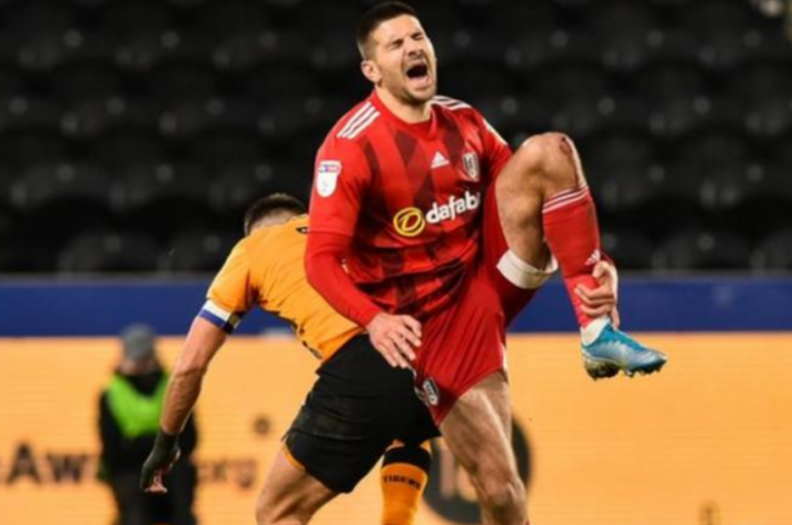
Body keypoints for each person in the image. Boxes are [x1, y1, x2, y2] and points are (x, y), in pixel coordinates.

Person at [303, 3, 667, 525]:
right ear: (372, 70)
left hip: (485, 280)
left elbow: (529, 194)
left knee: (549, 152)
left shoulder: (463, 120)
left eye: (418, 36)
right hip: (426, 329)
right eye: (396, 44)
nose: (413, 48)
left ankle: (596, 329)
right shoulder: (350, 146)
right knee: (501, 491)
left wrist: (597, 265)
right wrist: (375, 320)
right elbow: (319, 261)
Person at [139, 194, 619, 525]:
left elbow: (190, 365)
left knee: (277, 511)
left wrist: (166, 442)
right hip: (436, 342)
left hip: (367, 355)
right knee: (416, 422)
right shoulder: (346, 229)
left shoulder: (252, 249)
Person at [100, 324, 198, 525]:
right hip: (131, 472)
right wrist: (158, 446)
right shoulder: (111, 395)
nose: (142, 365)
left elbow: (190, 439)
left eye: (146, 358)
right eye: (137, 359)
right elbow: (112, 450)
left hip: (170, 469)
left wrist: (146, 448)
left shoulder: (175, 388)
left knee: (182, 487)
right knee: (134, 506)